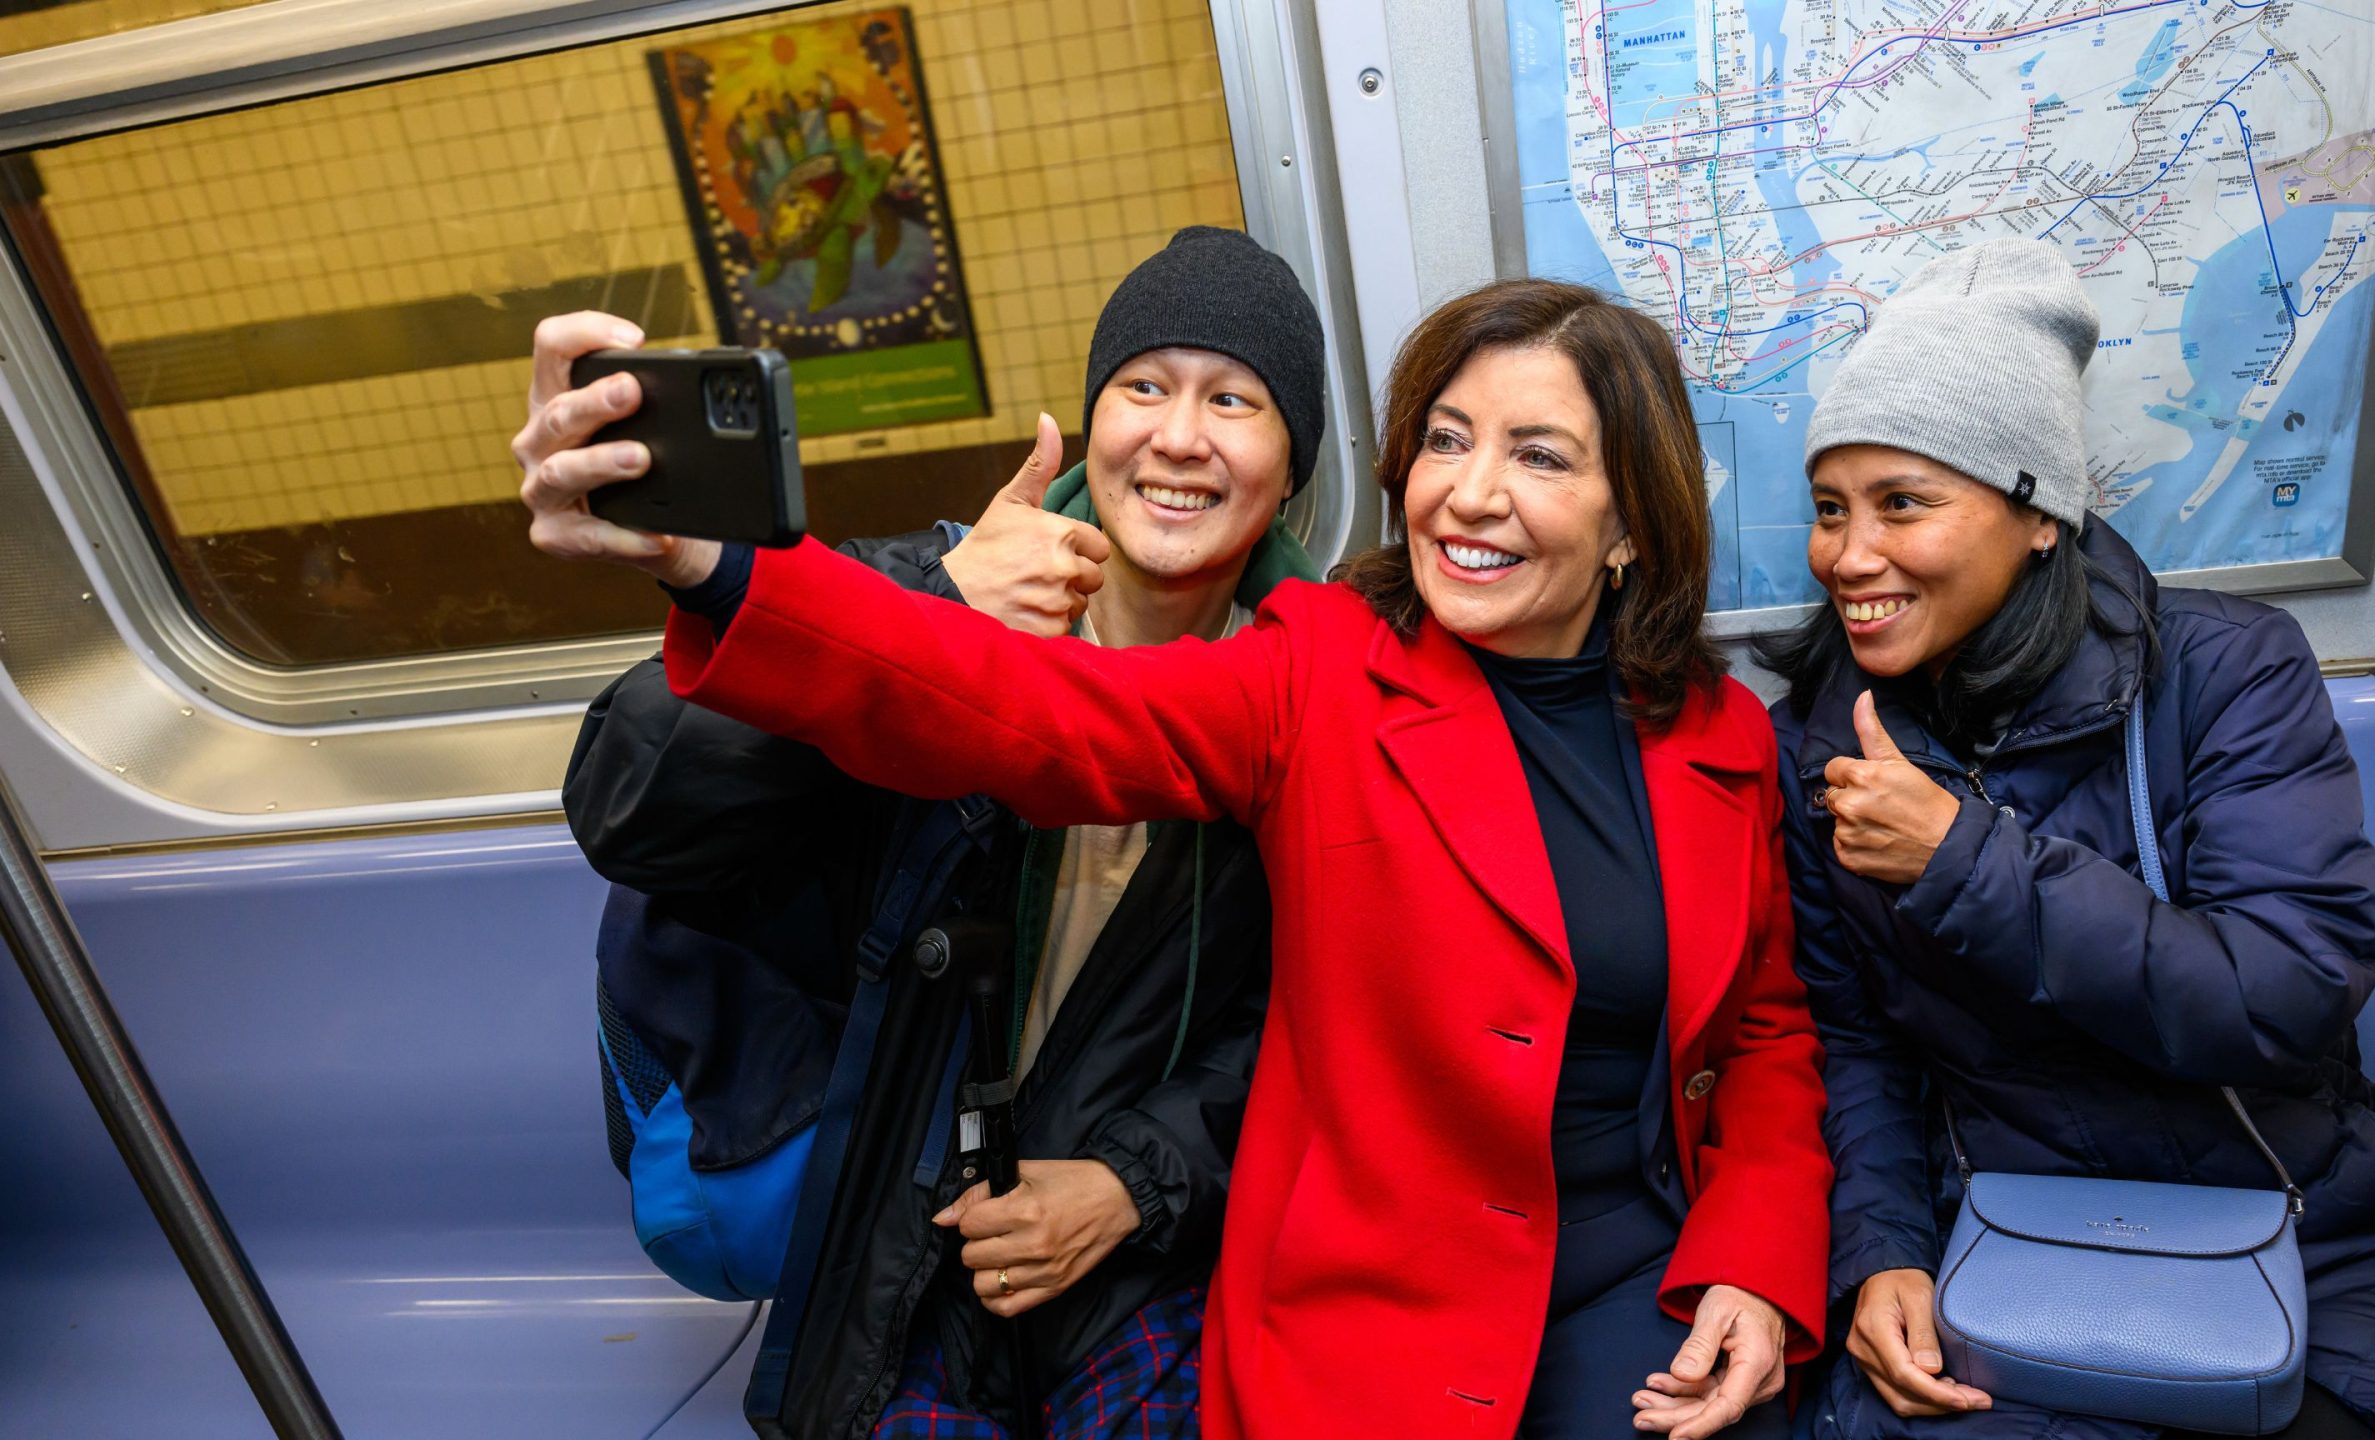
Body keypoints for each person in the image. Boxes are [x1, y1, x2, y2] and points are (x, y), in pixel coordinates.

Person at [522, 275, 1832, 1438]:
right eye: (1444, 439)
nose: (1468, 492)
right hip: (1383, 1317)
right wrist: (710, 560)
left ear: (1631, 526)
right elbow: (1033, 714)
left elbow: (1764, 1033)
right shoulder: (1320, 669)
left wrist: (1758, 1261)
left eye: (1539, 456)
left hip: (1636, 1285)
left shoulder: (1716, 738)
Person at [530, 227, 1333, 1438]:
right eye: (1143, 388)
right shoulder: (935, 594)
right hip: (897, 1249)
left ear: (1291, 465)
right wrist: (939, 597)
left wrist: (1136, 1179)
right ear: (1092, 418)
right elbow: (637, 808)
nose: (1179, 436)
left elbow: (1314, 1017)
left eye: (1235, 400)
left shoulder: (1309, 691)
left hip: (1138, 1255)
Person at [1757, 239, 2375, 1440]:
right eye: (1830, 511)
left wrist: (1969, 862)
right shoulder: (1819, 740)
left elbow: (2288, 991)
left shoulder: (2227, 673)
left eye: (1902, 505)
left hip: (2298, 1217)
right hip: (1997, 1221)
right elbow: (1855, 1044)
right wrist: (1879, 1255)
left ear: (2038, 518)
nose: (1848, 557)